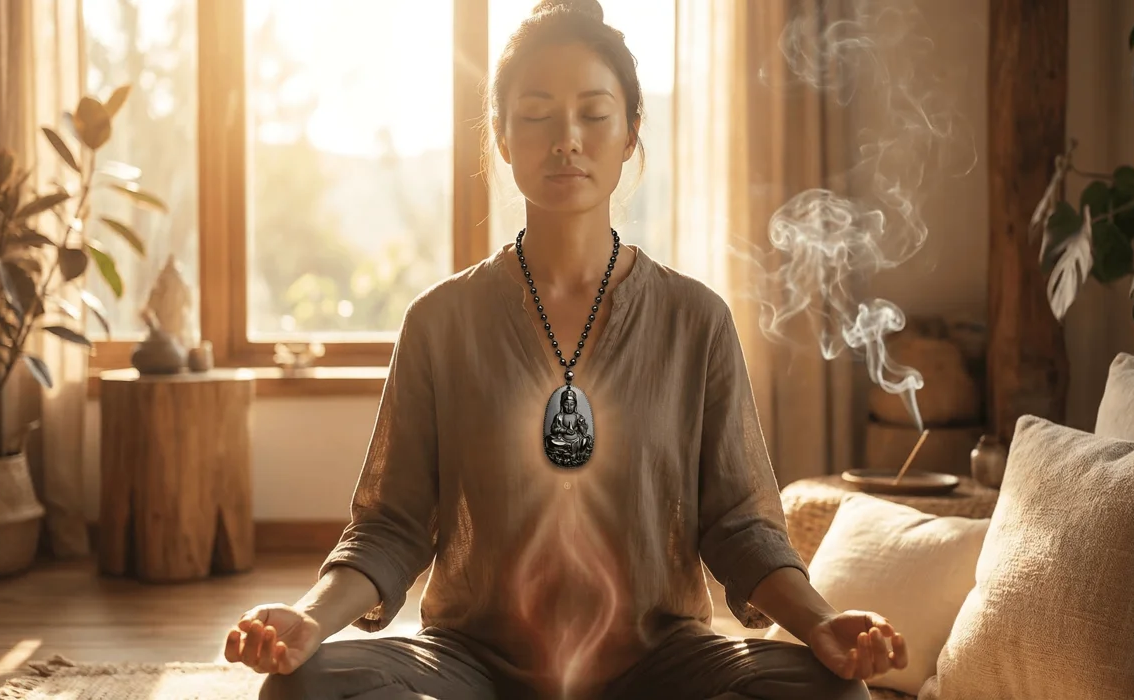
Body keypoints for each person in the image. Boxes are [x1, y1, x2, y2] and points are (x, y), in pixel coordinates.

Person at [225, 1, 907, 698]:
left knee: (831, 692)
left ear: (632, 133)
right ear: (502, 137)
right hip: (472, 664)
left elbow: (739, 527)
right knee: (302, 688)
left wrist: (820, 622)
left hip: (661, 665)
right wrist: (307, 622)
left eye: (593, 113)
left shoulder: (694, 320)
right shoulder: (438, 321)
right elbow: (390, 528)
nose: (567, 139)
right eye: (537, 114)